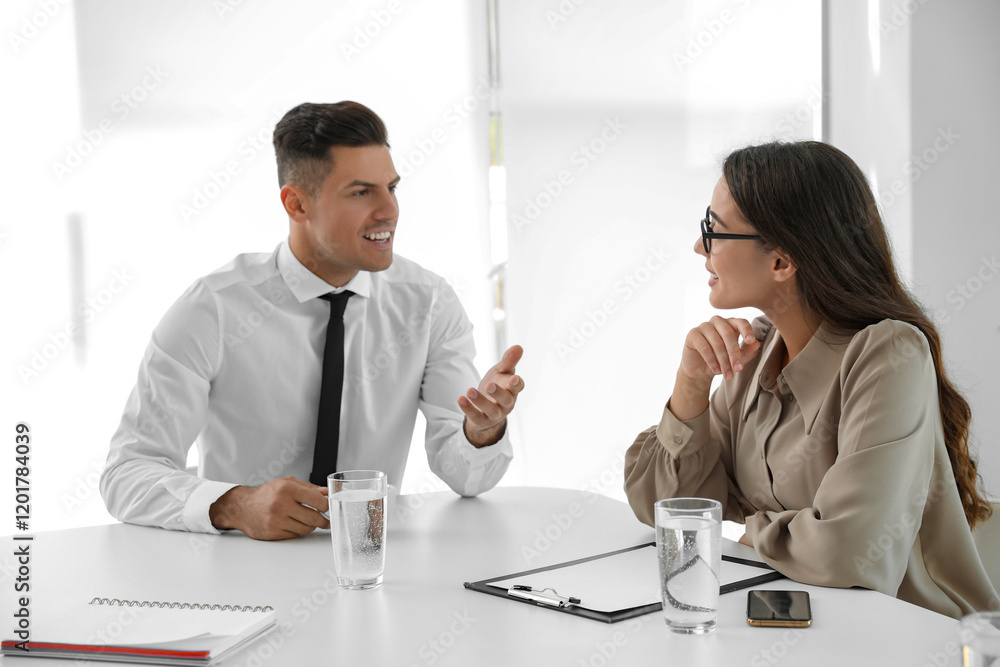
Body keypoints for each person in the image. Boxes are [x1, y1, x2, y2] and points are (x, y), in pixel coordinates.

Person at [101, 101, 524, 541]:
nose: (389, 211)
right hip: (240, 576)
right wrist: (236, 504)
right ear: (296, 203)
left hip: (373, 566)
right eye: (361, 192)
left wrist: (482, 431)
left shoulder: (429, 304)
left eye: (391, 188)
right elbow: (126, 474)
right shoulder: (213, 309)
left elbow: (469, 478)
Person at [624, 140, 998, 619]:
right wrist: (690, 386)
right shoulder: (757, 352)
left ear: (781, 262)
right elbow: (670, 512)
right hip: (799, 628)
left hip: (912, 640)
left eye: (714, 231)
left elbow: (851, 556)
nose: (700, 246)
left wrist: (750, 528)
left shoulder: (888, 354)